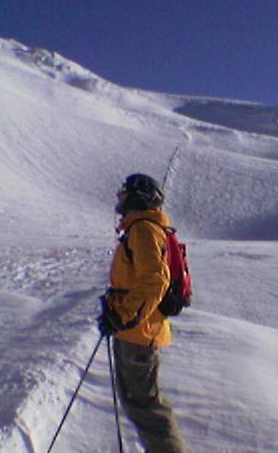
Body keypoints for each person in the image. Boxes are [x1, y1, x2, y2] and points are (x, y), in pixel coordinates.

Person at [97, 173, 189, 453]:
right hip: (137, 330)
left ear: (139, 197)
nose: (120, 200)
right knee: (140, 405)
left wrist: (122, 315)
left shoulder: (144, 230)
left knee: (146, 408)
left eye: (124, 194)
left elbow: (155, 280)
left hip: (139, 331)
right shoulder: (140, 228)